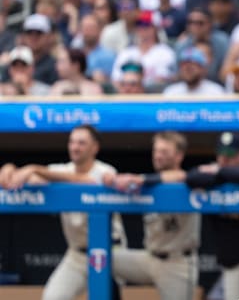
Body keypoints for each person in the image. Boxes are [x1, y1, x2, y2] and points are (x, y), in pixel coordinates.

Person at [0, 125, 126, 300]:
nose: (75, 147)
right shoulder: (61, 170)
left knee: (105, 295)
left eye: (81, 143)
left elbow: (88, 181)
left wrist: (35, 168)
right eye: (72, 142)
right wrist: (9, 169)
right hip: (76, 254)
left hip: (109, 251)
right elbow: (29, 178)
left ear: (94, 148)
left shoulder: (106, 171)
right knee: (53, 297)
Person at [103, 131, 200, 300]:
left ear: (178, 156)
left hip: (177, 263)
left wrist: (142, 179)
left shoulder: (187, 181)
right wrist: (111, 179)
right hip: (149, 258)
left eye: (164, 152)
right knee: (99, 258)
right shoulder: (149, 183)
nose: (158, 156)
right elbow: (114, 181)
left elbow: (182, 176)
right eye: (156, 151)